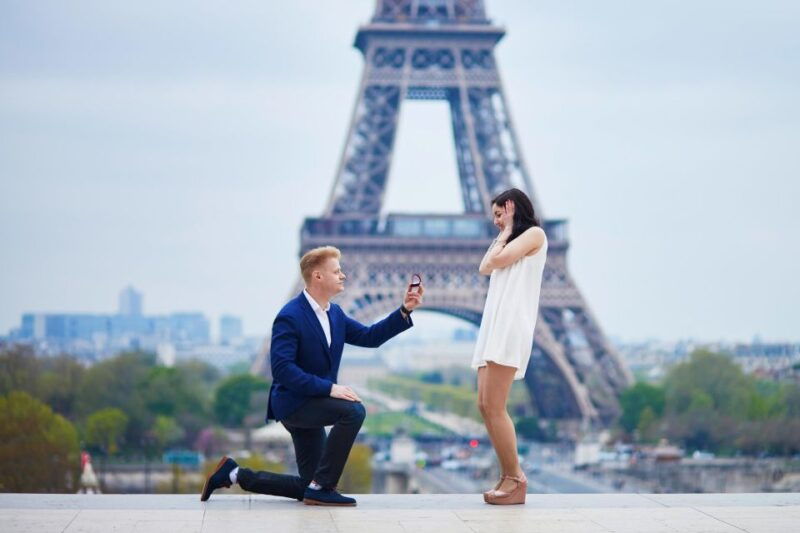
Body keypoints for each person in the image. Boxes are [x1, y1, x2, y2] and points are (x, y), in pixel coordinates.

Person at [201, 246, 423, 506]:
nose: (343, 276)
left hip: (312, 400)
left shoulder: (335, 314)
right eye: (337, 271)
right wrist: (330, 388)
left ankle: (234, 473)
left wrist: (404, 311)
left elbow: (369, 337)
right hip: (294, 404)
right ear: (318, 276)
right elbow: (283, 369)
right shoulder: (291, 316)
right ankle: (324, 486)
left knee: (308, 486)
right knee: (353, 411)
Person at [472, 188, 547, 505]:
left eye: (499, 214)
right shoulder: (510, 239)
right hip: (494, 325)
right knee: (484, 405)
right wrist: (504, 230)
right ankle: (507, 474)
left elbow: (498, 259)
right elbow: (485, 267)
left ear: (512, 206)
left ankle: (516, 478)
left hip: (510, 325)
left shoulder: (534, 235)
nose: (495, 221)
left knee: (496, 406)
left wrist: (505, 230)